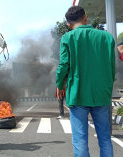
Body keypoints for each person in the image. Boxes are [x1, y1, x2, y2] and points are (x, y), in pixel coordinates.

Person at [56, 6, 115, 157]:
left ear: (68, 24)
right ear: (85, 17)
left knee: (80, 139)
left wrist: (59, 84)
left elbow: (63, 65)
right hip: (101, 94)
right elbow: (111, 67)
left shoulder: (67, 38)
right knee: (105, 138)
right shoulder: (107, 37)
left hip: (78, 93)